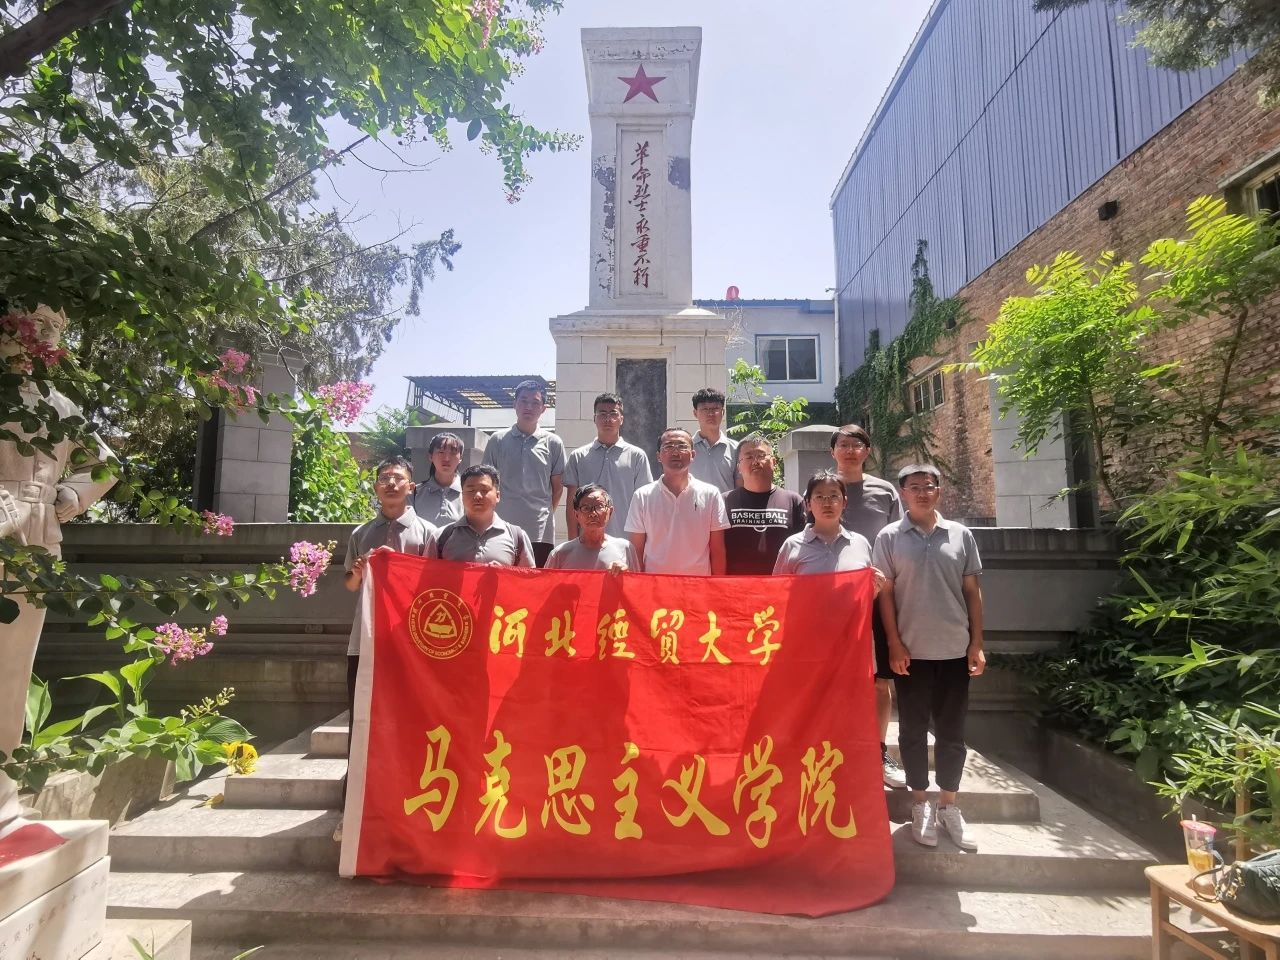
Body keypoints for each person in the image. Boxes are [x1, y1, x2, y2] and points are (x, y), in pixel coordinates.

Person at [0, 305, 115, 840]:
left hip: (39, 540)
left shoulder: (61, 405)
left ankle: (3, 791)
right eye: (35, 323)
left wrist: (73, 493)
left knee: (12, 668)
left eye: (54, 329)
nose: (42, 337)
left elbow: (105, 465)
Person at [873, 464, 985, 851]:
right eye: (914, 487)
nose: (922, 492)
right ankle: (921, 804)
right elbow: (885, 595)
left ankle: (949, 805)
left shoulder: (961, 535)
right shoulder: (889, 537)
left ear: (939, 491)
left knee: (953, 734)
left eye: (929, 486)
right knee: (912, 732)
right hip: (911, 652)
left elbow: (972, 592)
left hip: (955, 649)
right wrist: (893, 643)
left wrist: (976, 643)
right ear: (902, 493)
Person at [339, 456, 435, 841]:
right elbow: (349, 585)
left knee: (412, 726)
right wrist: (359, 573)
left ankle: (410, 806)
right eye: (384, 478)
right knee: (362, 725)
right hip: (365, 643)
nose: (391, 484)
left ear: (411, 486)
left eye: (398, 478)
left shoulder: (428, 533)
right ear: (376, 486)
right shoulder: (361, 533)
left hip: (412, 648)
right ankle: (353, 810)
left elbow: (435, 587)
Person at [832, 424, 907, 791]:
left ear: (867, 450)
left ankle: (878, 751)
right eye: (843, 444)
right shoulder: (824, 489)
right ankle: (837, 747)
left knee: (879, 680)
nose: (850, 450)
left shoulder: (885, 491)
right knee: (833, 677)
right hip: (832, 602)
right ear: (832, 452)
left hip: (879, 597)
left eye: (856, 444)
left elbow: (897, 541)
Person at [481, 379, 565, 567]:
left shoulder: (553, 443)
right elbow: (487, 483)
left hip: (540, 531)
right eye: (524, 400)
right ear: (514, 404)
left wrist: (543, 513)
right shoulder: (497, 440)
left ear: (543, 408)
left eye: (535, 402)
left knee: (535, 580)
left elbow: (557, 488)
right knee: (501, 579)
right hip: (502, 528)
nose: (529, 407)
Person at [624, 427, 729, 575]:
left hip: (697, 584)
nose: (675, 452)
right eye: (668, 446)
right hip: (656, 584)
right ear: (658, 456)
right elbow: (636, 550)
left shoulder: (711, 494)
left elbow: (717, 550)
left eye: (682, 446)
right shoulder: (642, 496)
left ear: (693, 455)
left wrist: (716, 586)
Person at [773, 471, 885, 595]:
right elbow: (778, 593)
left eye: (834, 496)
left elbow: (864, 594)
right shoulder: (792, 545)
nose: (827, 503)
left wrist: (875, 589)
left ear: (844, 502)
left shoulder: (860, 544)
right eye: (819, 497)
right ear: (808, 504)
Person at [563, 393, 651, 540]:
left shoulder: (637, 456)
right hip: (587, 542)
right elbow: (572, 505)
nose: (608, 419)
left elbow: (644, 503)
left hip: (626, 541)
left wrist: (641, 543)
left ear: (621, 419)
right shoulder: (578, 457)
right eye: (602, 414)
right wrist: (572, 542)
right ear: (594, 418)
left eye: (613, 414)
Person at [723, 434, 806, 575]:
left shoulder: (794, 501)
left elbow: (805, 548)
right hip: (736, 585)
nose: (755, 462)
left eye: (761, 455)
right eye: (749, 457)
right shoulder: (724, 501)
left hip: (780, 584)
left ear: (773, 462)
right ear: (739, 467)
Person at [427, 464, 535, 567]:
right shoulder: (440, 537)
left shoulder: (517, 537)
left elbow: (529, 578)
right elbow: (427, 577)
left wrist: (504, 574)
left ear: (497, 496)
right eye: (470, 490)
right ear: (462, 495)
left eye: (484, 490)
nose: (477, 496)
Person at [545, 483, 639, 572]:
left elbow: (638, 581)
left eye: (599, 506)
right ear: (576, 515)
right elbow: (546, 582)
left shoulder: (625, 548)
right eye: (586, 508)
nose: (593, 513)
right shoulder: (560, 554)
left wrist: (626, 573)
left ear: (610, 512)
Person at [688, 387, 738, 493]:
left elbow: (740, 487)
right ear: (695, 413)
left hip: (726, 503)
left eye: (715, 408)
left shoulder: (736, 449)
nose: (710, 413)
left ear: (723, 412)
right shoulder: (687, 448)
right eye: (705, 409)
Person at [411, 431, 464, 526]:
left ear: (460, 458)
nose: (446, 458)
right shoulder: (415, 494)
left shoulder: (470, 493)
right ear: (430, 456)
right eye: (441, 452)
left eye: (453, 453)